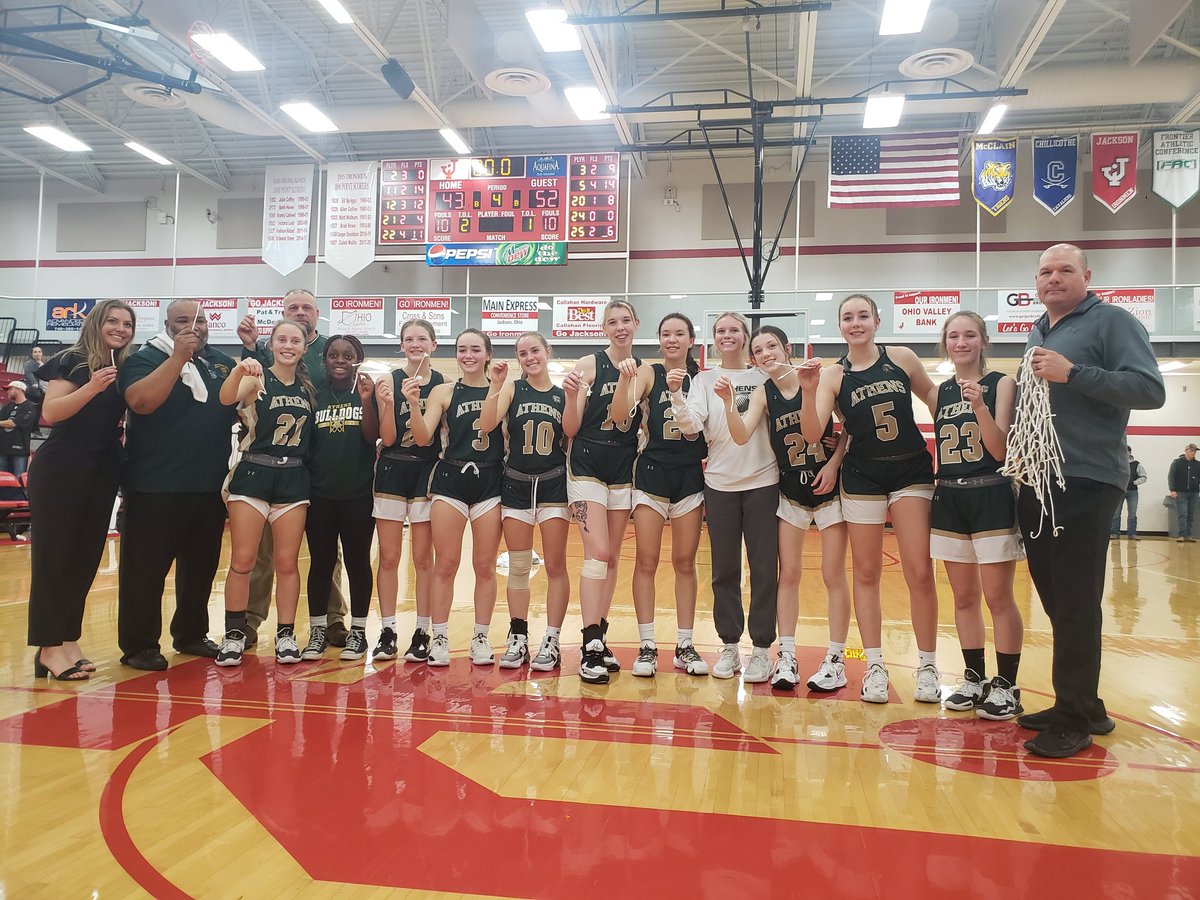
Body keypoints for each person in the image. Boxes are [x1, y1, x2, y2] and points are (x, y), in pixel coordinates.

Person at [1013, 243, 1164, 758]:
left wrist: (1074, 373)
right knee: (1056, 598)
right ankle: (1082, 703)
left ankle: (1073, 719)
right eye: (1045, 271)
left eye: (1065, 270)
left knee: (1076, 599)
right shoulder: (1040, 329)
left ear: (1086, 276)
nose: (1053, 278)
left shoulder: (1112, 322)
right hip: (1039, 479)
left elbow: (1149, 390)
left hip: (1086, 478)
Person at [798, 294, 942, 704]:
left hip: (910, 470)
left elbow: (933, 398)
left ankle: (928, 665)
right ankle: (874, 664)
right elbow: (812, 434)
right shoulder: (832, 375)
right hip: (862, 476)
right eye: (848, 317)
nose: (856, 323)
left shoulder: (901, 357)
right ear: (839, 325)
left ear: (877, 320)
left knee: (918, 570)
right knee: (866, 573)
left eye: (863, 315)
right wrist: (808, 391)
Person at [721, 326, 851, 691]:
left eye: (772, 346)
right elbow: (742, 434)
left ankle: (836, 659)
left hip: (829, 487)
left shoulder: (820, 377)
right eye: (759, 350)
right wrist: (729, 402)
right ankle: (787, 656)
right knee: (788, 574)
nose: (766, 353)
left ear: (787, 347)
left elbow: (854, 423)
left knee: (832, 574)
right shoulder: (764, 392)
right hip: (791, 489)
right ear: (754, 359)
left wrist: (835, 461)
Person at [116, 299, 237, 670]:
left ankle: (190, 633)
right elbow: (140, 402)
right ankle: (139, 645)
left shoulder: (220, 363)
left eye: (199, 321)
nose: (192, 327)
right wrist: (177, 360)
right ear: (167, 324)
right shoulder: (145, 358)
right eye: (183, 320)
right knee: (146, 571)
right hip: (154, 486)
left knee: (200, 569)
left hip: (207, 484)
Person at [26, 299, 136, 680]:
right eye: (113, 321)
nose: (120, 329)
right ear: (96, 323)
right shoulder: (72, 359)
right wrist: (90, 388)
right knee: (55, 559)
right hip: (62, 466)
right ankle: (48, 648)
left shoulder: (121, 367)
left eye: (127, 323)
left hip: (101, 466)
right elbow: (52, 413)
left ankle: (67, 639)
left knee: (84, 558)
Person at [925, 311, 1025, 720]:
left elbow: (1000, 450)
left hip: (991, 494)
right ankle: (974, 677)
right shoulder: (939, 392)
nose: (961, 342)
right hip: (948, 498)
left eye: (970, 335)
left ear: (983, 340)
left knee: (998, 597)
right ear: (944, 344)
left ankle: (1007, 684)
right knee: (964, 598)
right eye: (953, 336)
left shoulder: (1002, 383)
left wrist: (980, 406)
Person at [236, 289, 349, 647]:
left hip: (320, 461)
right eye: (292, 308)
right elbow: (244, 391)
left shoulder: (331, 349)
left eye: (306, 307)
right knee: (261, 550)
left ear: (318, 313)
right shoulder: (267, 350)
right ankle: (250, 619)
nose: (300, 312)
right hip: (271, 462)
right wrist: (250, 349)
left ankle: (333, 618)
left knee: (326, 548)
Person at [671, 312, 779, 683]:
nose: (727, 335)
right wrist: (675, 398)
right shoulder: (702, 380)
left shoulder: (764, 376)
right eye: (721, 330)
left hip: (764, 482)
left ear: (746, 337)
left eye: (734, 329)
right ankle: (730, 646)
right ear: (713, 339)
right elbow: (690, 426)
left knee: (765, 569)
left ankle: (762, 650)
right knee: (725, 571)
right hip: (718, 484)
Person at [610, 313, 709, 679]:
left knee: (685, 562)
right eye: (665, 333)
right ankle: (648, 645)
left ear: (691, 339)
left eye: (679, 333)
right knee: (647, 561)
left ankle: (684, 644)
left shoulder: (704, 378)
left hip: (689, 475)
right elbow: (620, 414)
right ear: (659, 339)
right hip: (651, 472)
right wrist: (624, 379)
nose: (672, 339)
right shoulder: (647, 372)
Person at [215, 319, 316, 667]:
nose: (288, 345)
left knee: (288, 563)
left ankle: (285, 633)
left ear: (304, 347)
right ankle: (233, 633)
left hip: (293, 476)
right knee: (243, 561)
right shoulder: (255, 378)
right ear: (271, 344)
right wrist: (239, 367)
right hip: (255, 472)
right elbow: (226, 398)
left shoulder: (307, 388)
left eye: (295, 340)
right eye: (282, 339)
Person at [403, 328, 504, 667]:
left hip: (491, 481)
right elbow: (421, 438)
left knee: (485, 566)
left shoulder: (504, 389)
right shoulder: (444, 392)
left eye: (476, 349)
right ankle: (440, 635)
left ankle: (480, 637)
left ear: (488, 354)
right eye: (462, 349)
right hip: (450, 480)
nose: (468, 355)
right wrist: (413, 406)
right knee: (445, 564)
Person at [562, 300, 643, 684]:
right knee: (597, 553)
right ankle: (589, 642)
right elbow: (572, 428)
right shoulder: (588, 365)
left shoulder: (646, 371)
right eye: (612, 322)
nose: (620, 327)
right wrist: (571, 395)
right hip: (587, 464)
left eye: (626, 320)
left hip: (623, 467)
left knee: (612, 558)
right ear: (604, 328)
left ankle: (601, 636)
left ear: (636, 324)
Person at [479, 332, 570, 670]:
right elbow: (487, 424)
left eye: (535, 350)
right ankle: (518, 636)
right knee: (518, 567)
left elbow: (571, 436)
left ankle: (553, 638)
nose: (530, 357)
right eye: (522, 353)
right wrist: (495, 384)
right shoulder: (513, 389)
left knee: (556, 565)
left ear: (548, 352)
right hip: (516, 484)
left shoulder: (563, 395)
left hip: (553, 486)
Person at [301, 336, 379, 660]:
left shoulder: (365, 395)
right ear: (325, 360)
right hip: (319, 496)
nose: (340, 360)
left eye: (348, 355)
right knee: (320, 564)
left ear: (357, 360)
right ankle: (318, 631)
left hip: (358, 495)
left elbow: (373, 436)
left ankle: (358, 632)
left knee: (358, 562)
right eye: (333, 354)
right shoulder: (314, 396)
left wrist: (366, 401)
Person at [372, 319, 443, 663]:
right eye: (409, 339)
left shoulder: (444, 385)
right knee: (388, 557)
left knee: (422, 559)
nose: (415, 344)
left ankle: (422, 630)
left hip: (427, 470)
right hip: (392, 468)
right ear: (401, 345)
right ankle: (387, 630)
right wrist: (386, 405)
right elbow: (386, 438)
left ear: (434, 344)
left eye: (422, 338)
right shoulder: (388, 380)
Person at [0, 380, 37, 480]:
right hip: (3, 449)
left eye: (10, 389)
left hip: (19, 450)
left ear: (19, 390)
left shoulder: (30, 407)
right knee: (2, 478)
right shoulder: (7, 407)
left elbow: (15, 423)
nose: (7, 392)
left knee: (19, 479)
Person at [1110, 446, 1147, 540]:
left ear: (1130, 453)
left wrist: (1134, 482)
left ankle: (1132, 534)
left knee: (1132, 513)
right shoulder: (1117, 464)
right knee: (1116, 513)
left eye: (1126, 451)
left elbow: (1143, 477)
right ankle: (1114, 533)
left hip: (1133, 492)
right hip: (1119, 490)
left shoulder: (1137, 464)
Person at [1168, 443, 1199, 542]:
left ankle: (1188, 535)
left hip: (1194, 493)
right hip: (1181, 492)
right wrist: (1172, 490)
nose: (1193, 452)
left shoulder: (1198, 464)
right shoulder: (1177, 462)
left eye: (1195, 451)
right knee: (1183, 514)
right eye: (1191, 450)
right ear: (1186, 450)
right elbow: (1171, 476)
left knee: (1191, 514)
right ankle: (1181, 534)